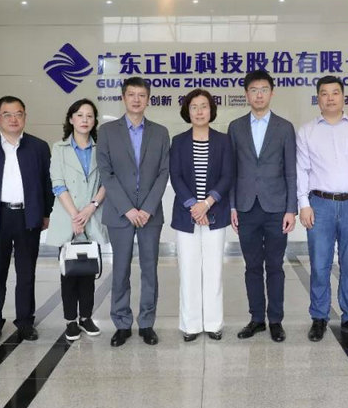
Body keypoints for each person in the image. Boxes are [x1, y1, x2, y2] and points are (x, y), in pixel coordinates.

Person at [296, 75, 348, 342]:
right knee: (319, 265)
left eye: (335, 92)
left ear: (343, 96)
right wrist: (304, 204)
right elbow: (302, 170)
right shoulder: (307, 131)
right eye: (324, 93)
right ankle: (319, 317)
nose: (330, 98)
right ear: (317, 98)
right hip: (319, 205)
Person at [0, 96, 53, 346]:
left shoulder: (39, 147)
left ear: (25, 116)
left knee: (26, 273)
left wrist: (45, 212)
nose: (13, 119)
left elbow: (47, 184)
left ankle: (25, 322)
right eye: (7, 114)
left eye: (18, 114)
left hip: (28, 217)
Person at [96, 77, 170, 347]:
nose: (136, 99)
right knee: (120, 270)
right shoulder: (107, 131)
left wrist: (147, 209)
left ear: (148, 99)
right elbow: (106, 173)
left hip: (150, 214)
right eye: (131, 94)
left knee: (150, 269)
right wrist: (128, 209)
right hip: (120, 213)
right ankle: (122, 323)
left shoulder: (160, 132)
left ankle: (147, 323)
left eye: (141, 95)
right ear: (123, 97)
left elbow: (164, 172)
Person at [227, 70, 296, 343]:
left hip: (276, 207)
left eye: (264, 89)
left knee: (275, 265)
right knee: (252, 266)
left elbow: (290, 171)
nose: (259, 95)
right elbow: (232, 171)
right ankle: (256, 318)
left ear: (272, 93)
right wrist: (233, 206)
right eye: (254, 90)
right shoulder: (235, 127)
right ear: (246, 94)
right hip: (246, 207)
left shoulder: (284, 127)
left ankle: (276, 320)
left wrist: (291, 209)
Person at [169, 89, 233, 342]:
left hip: (215, 213)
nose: (199, 111)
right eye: (194, 107)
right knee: (188, 270)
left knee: (213, 270)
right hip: (186, 215)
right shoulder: (178, 141)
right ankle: (191, 325)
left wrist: (206, 204)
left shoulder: (223, 141)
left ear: (211, 110)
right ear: (187, 111)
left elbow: (227, 175)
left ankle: (214, 323)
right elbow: (176, 176)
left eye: (203, 106)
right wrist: (194, 206)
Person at [46, 98, 109, 341]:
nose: (84, 120)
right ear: (71, 119)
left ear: (94, 121)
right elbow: (57, 183)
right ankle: (70, 320)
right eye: (80, 115)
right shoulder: (59, 148)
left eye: (89, 116)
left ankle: (86, 318)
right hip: (68, 218)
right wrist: (75, 215)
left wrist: (91, 208)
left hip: (92, 216)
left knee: (88, 271)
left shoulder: (101, 148)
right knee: (69, 272)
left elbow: (107, 182)